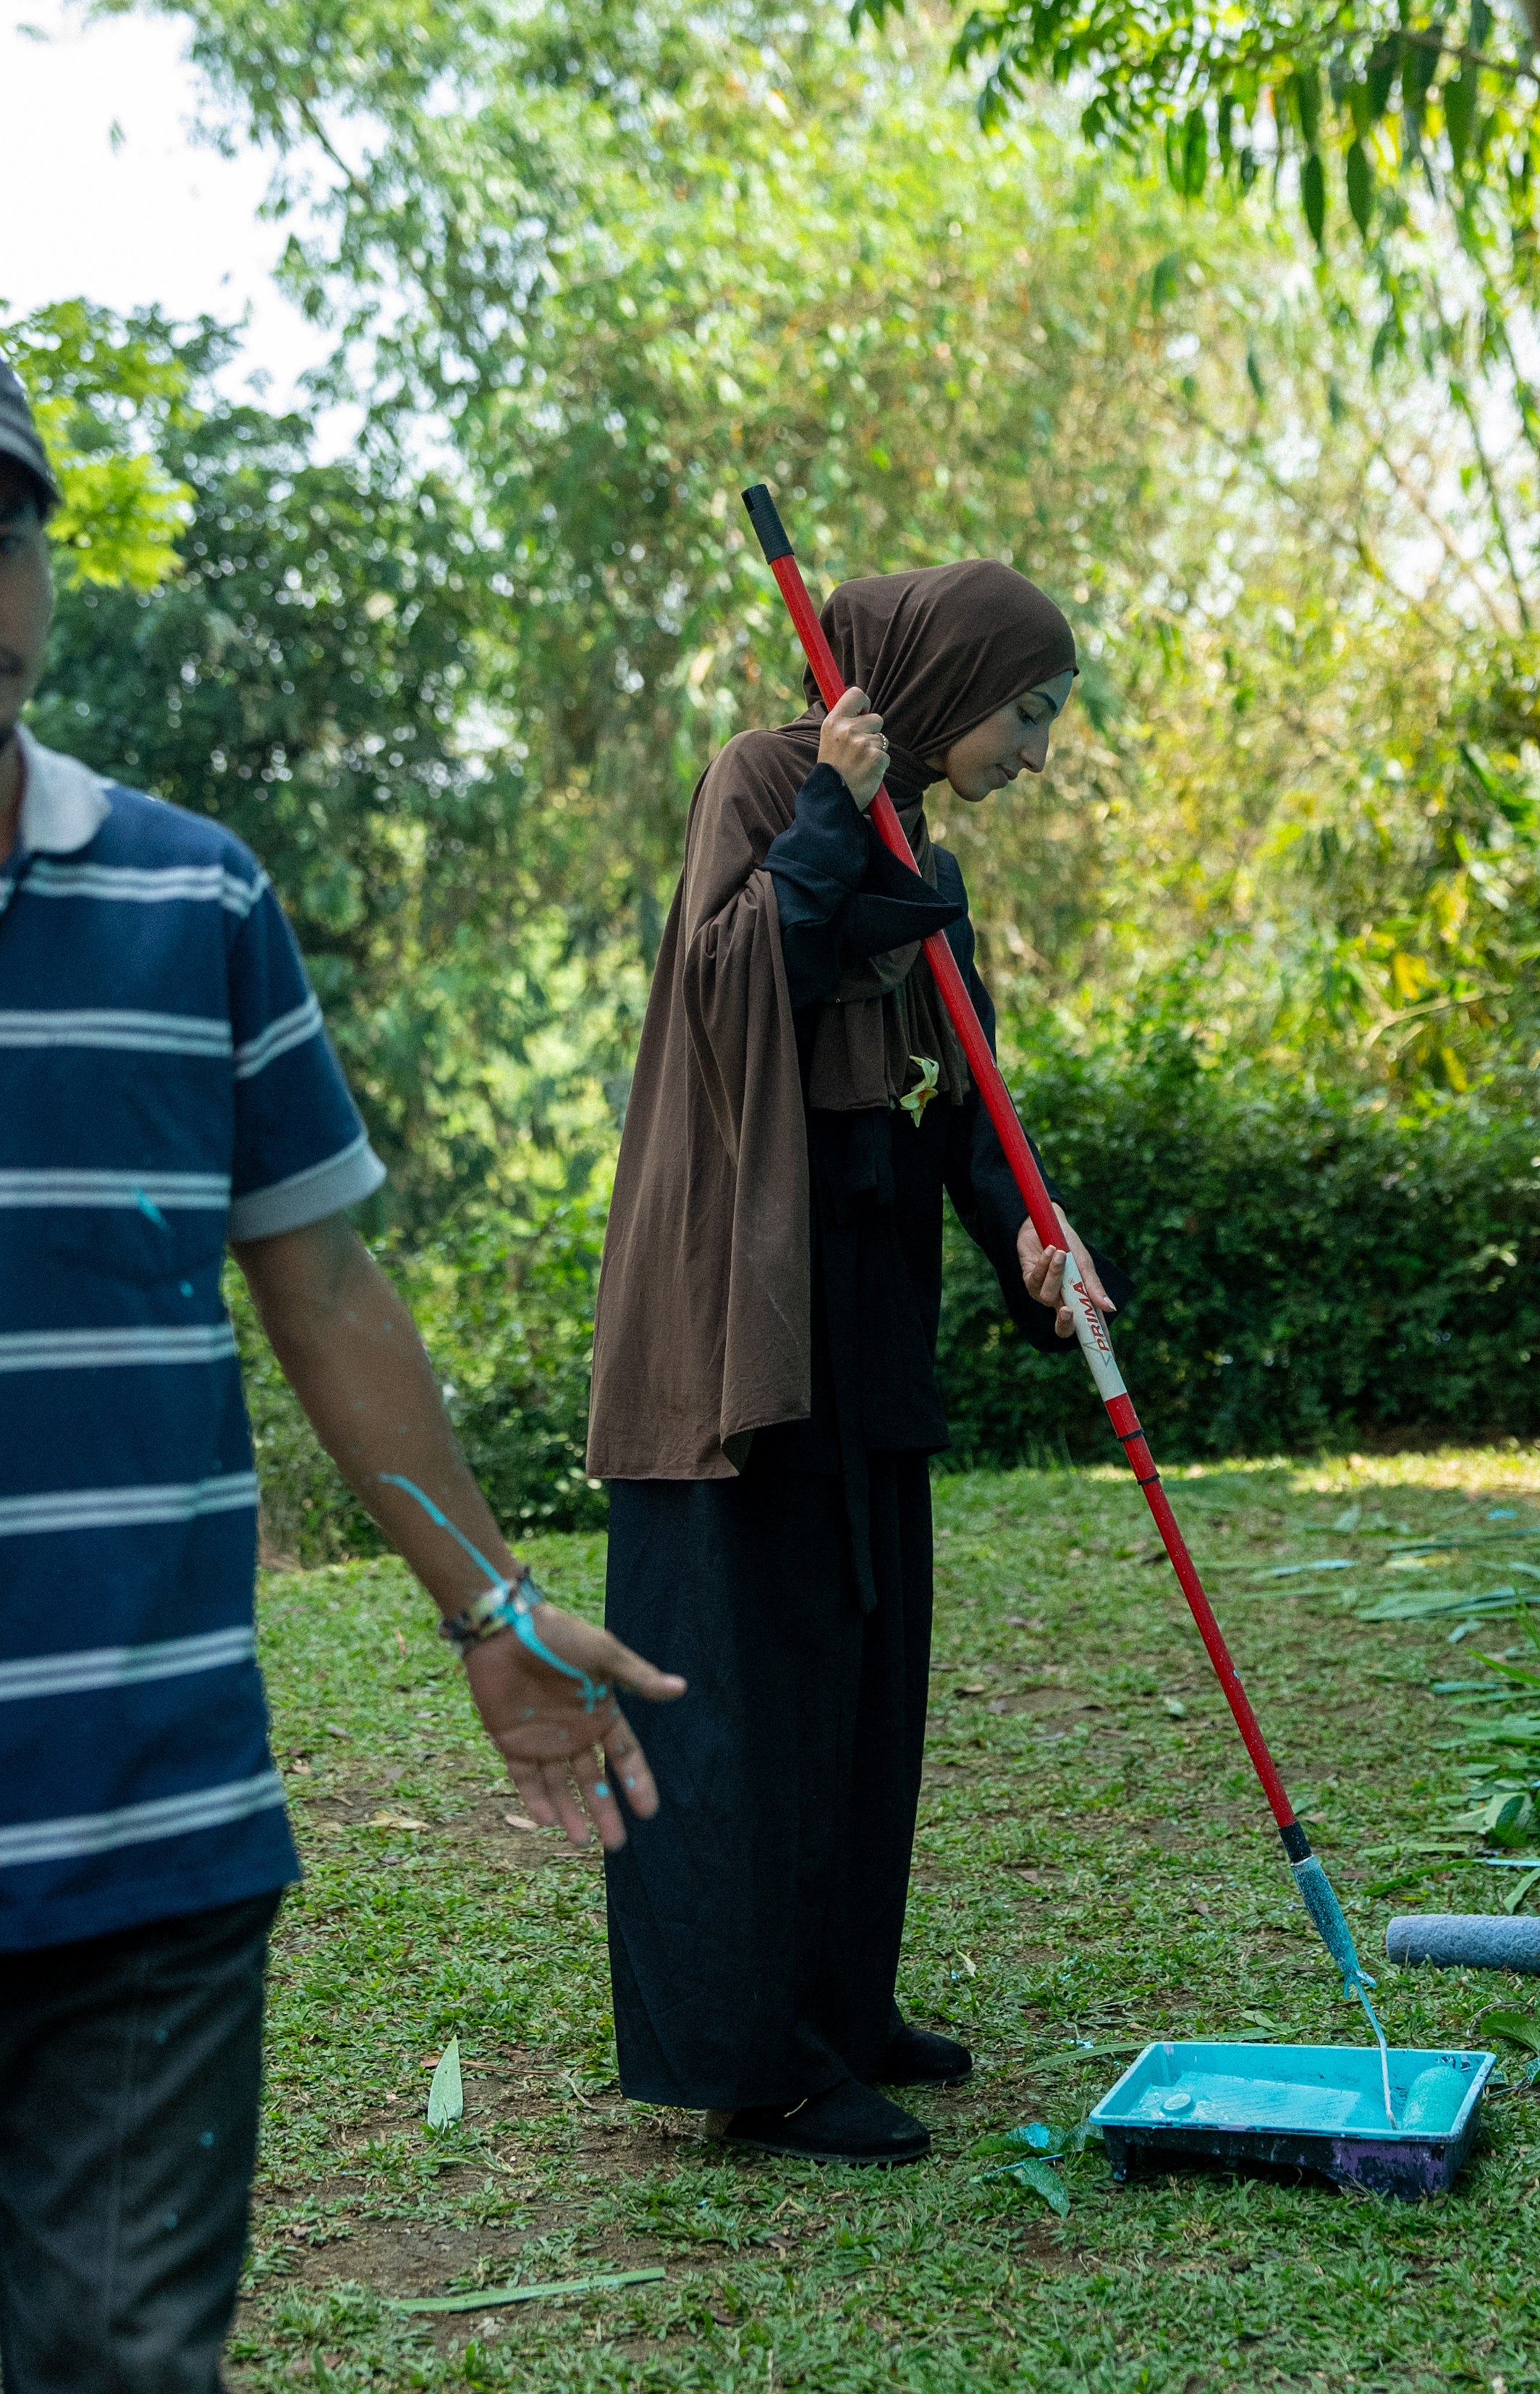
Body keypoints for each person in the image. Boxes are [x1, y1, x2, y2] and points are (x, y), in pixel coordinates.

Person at [0, 355, 685, 2394]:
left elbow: (322, 1283)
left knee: (118, 2363)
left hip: (153, 1824)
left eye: (4, 528)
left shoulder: (187, 899)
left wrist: (485, 1602)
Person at [588, 558, 1128, 2166]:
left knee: (864, 1660)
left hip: (863, 1279)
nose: (1036, 749)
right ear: (952, 679)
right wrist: (830, 807)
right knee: (743, 1681)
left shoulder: (930, 855)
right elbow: (726, 981)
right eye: (1029, 712)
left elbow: (965, 1101)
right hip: (737, 1289)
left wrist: (1036, 1246)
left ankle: (841, 2001)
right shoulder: (772, 775)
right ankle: (754, 2061)